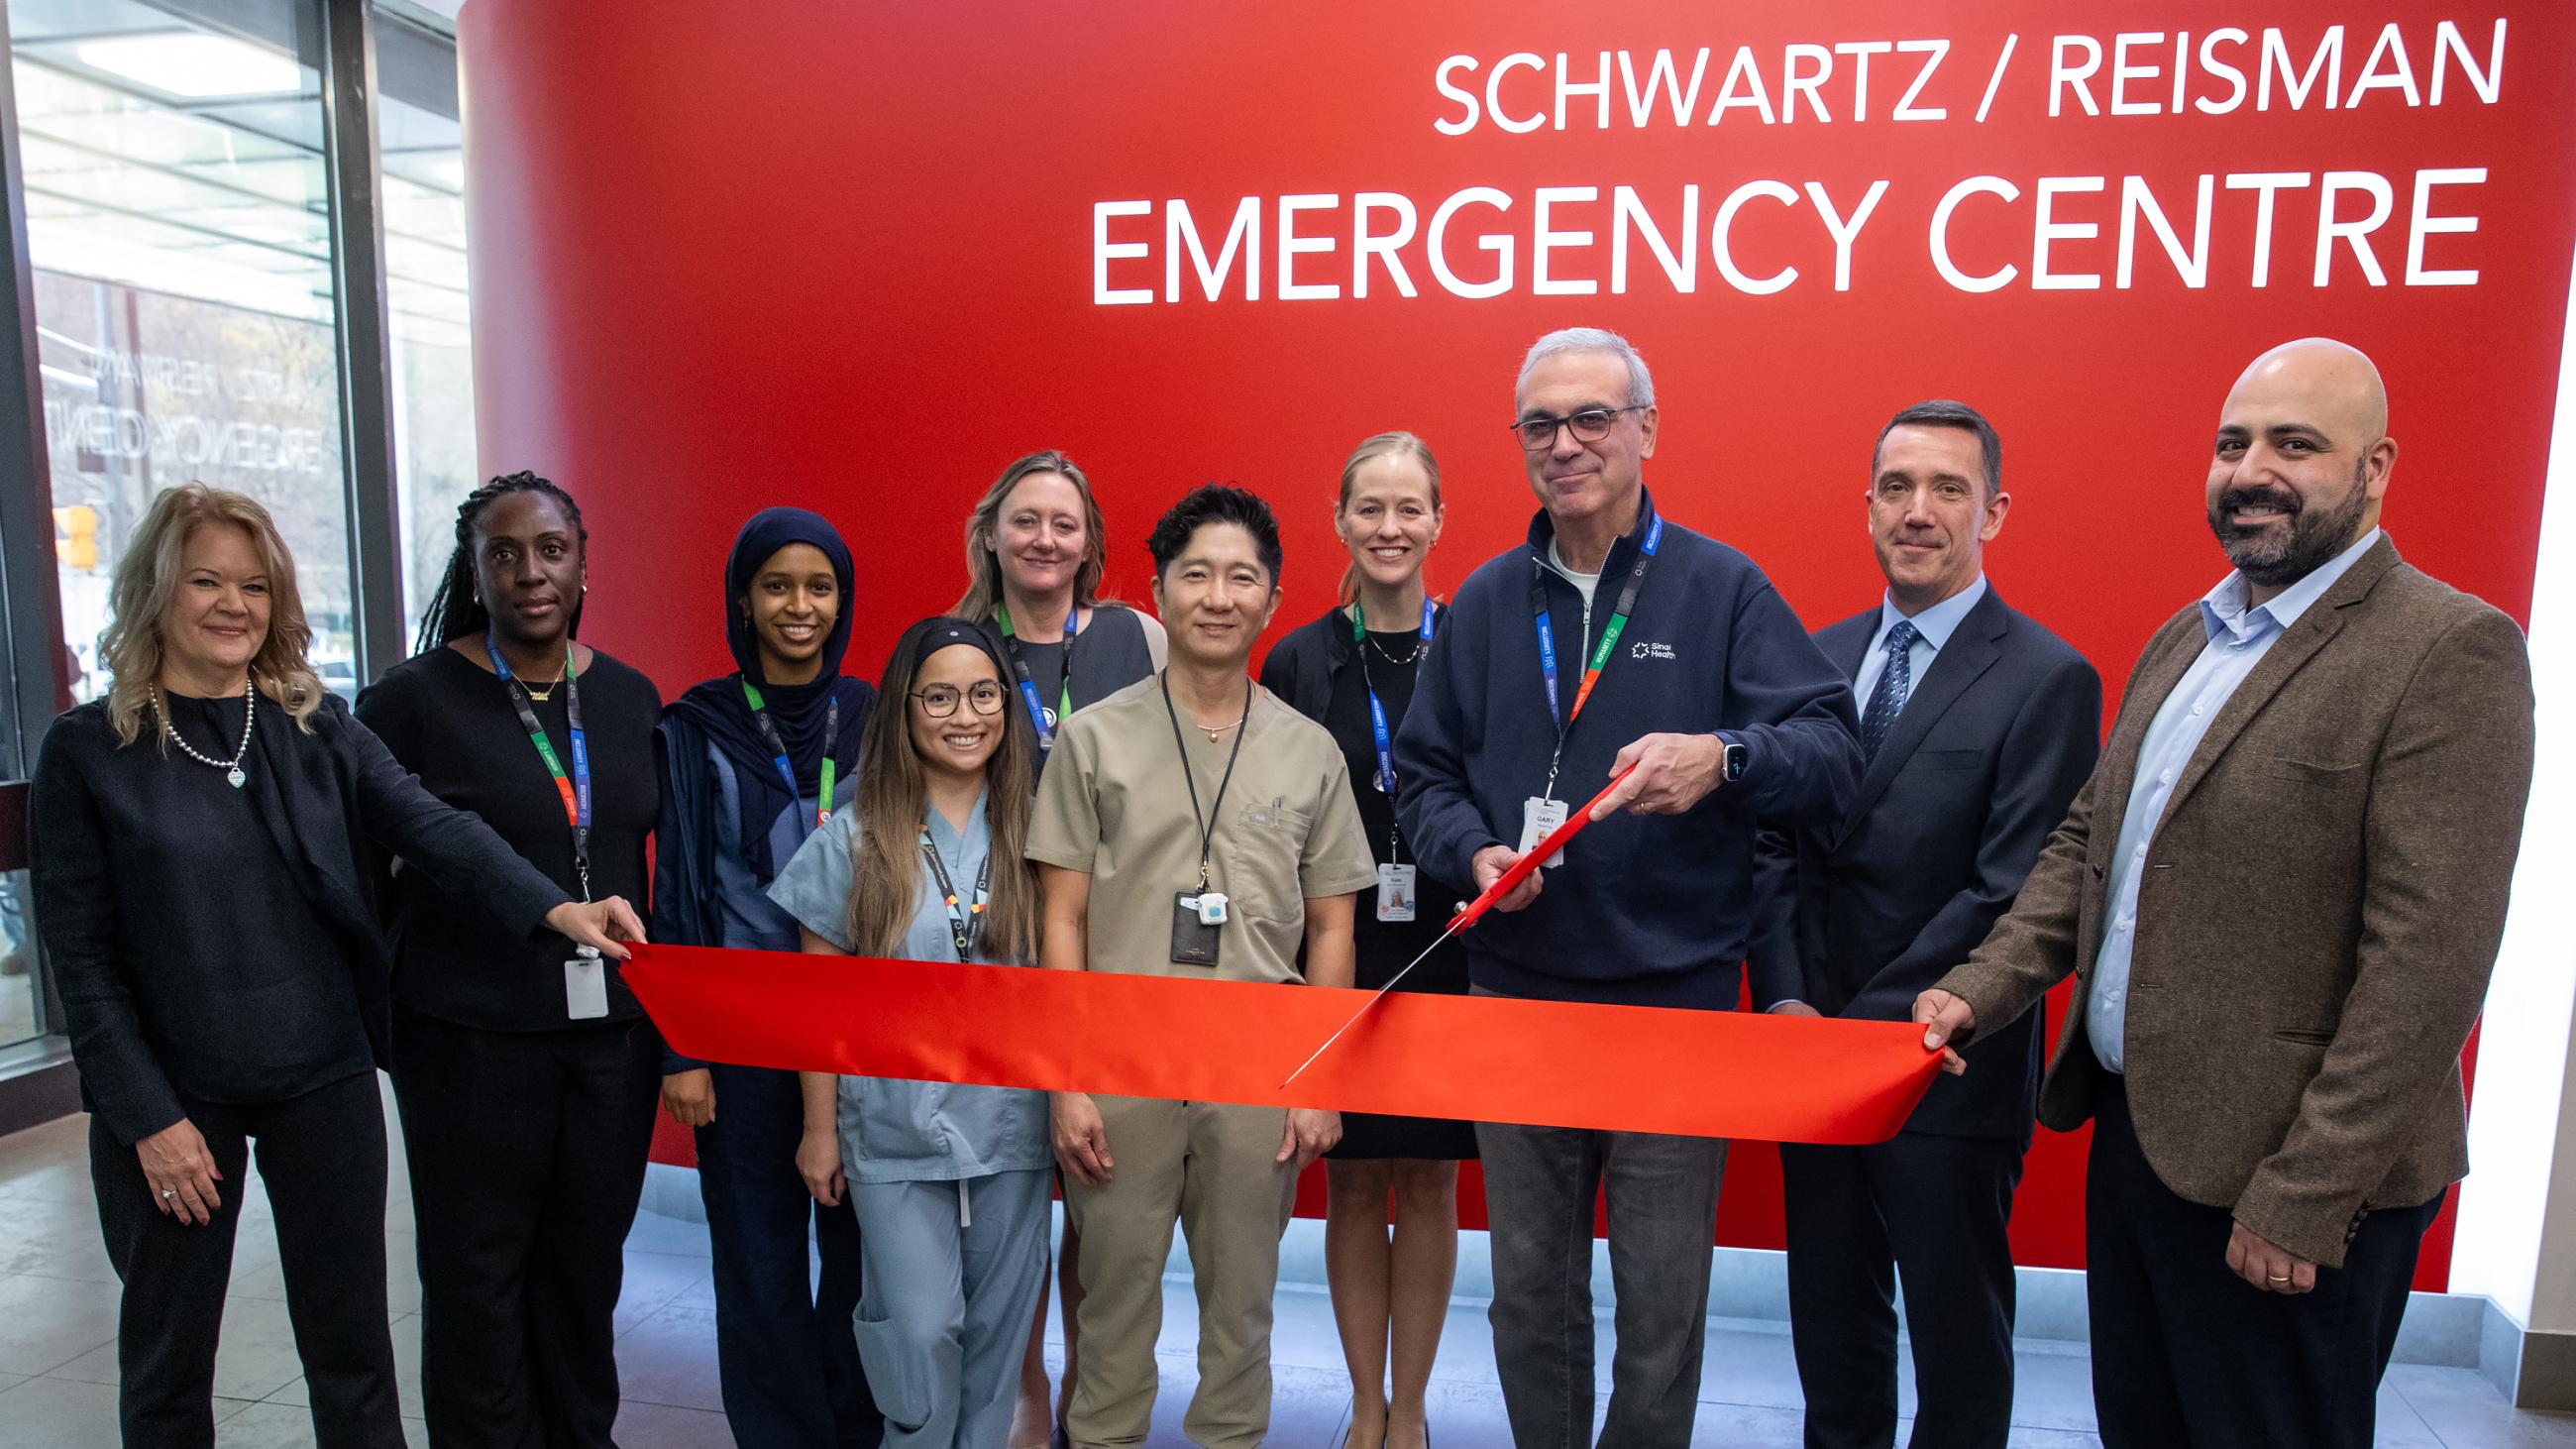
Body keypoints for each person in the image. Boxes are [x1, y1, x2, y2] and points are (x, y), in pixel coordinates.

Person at [1917, 339, 2536, 1449]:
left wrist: (2302, 1190)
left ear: (2374, 467)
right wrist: (1980, 986)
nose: (2252, 468)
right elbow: (2085, 847)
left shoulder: (2446, 650)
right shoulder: (2185, 637)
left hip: (2283, 1182)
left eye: (2295, 444)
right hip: (2143, 1143)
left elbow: (2427, 962)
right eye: (2231, 443)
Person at [29, 483, 639, 1448]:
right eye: (206, 581)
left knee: (354, 1360)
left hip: (324, 1081)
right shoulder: (89, 751)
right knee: (168, 1367)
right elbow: (83, 960)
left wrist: (554, 907)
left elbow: (434, 827)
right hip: (177, 1104)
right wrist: (148, 1117)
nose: (235, 604)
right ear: (156, 589)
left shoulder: (315, 725)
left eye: (255, 585)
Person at [1393, 327, 1862, 1447]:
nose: (1566, 444)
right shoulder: (1489, 600)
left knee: (1661, 1303)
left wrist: (1724, 758)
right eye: (1540, 424)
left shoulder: (1719, 585)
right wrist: (1472, 857)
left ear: (1645, 428)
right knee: (1527, 1294)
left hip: (1672, 1002)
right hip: (1516, 998)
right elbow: (1421, 775)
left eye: (1591, 418)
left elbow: (1830, 750)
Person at [1747, 401, 2100, 1449]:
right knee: (1832, 1331)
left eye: (1946, 489)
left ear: (1991, 511)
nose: (1917, 510)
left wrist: (1872, 1029)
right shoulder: (1813, 657)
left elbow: (2012, 886)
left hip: (1946, 1063)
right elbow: (1773, 849)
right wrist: (1786, 997)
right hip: (1810, 1053)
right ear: (1865, 507)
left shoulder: (2046, 676)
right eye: (1896, 487)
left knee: (1956, 1344)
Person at [1029, 484, 1378, 1449]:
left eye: (1241, 577)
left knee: (1242, 1322)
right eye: (1195, 574)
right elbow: (1058, 917)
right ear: (1156, 590)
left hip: (1256, 1079)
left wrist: (1319, 1079)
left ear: (1270, 598)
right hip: (1119, 1077)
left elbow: (1334, 931)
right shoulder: (1092, 740)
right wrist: (1064, 1078)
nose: (1217, 596)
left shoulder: (1307, 752)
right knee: (1110, 1315)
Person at [356, 470, 667, 1448]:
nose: (529, 572)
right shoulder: (408, 700)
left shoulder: (624, 695)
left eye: (550, 551)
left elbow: (632, 857)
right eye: (503, 554)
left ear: (582, 564)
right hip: (466, 1039)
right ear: (475, 571)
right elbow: (364, 877)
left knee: (585, 1269)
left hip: (607, 1040)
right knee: (476, 1277)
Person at [769, 615, 1054, 1449]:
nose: (965, 715)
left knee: (1000, 1337)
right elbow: (820, 1007)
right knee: (923, 1328)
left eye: (983, 693)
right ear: (904, 707)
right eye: (940, 696)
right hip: (891, 1121)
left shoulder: (1040, 835)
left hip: (1014, 1119)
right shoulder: (854, 841)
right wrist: (820, 1130)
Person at [1258, 431, 1471, 1449]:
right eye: (1369, 509)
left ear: (1437, 520)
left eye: (1409, 509)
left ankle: (1415, 1407)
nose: (1389, 528)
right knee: (1346, 1172)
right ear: (1339, 520)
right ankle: (1363, 1404)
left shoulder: (1471, 639)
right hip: (1335, 939)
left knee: (1430, 1178)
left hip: (1446, 945)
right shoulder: (1300, 657)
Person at [652, 508, 882, 1448]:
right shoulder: (693, 721)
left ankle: (857, 1429)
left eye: (819, 587)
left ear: (843, 600)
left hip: (857, 1032)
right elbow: (676, 891)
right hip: (739, 1037)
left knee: (864, 1257)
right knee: (757, 1258)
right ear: (743, 599)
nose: (800, 607)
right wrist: (681, 1048)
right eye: (778, 586)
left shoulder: (876, 712)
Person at [954, 449, 1163, 1449]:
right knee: (1007, 1198)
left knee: (1096, 1191)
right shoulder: (956, 648)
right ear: (991, 532)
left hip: (1112, 957)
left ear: (1091, 542)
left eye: (1064, 523)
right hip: (994, 951)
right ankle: (1025, 1395)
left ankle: (1086, 1383)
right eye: (1026, 520)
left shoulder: (1137, 639)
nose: (1045, 539)